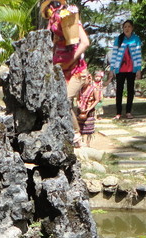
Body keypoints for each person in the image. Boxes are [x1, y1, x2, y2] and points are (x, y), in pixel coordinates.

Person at [42, 0, 90, 146]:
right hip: (60, 70)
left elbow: (85, 42)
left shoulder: (71, 19)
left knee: (64, 100)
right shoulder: (52, 22)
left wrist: (70, 61)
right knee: (56, 101)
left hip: (77, 71)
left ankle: (76, 135)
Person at [109, 20, 142, 120]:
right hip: (120, 69)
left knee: (130, 91)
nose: (127, 29)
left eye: (129, 27)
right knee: (119, 91)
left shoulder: (136, 39)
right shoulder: (119, 39)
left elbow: (138, 54)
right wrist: (112, 69)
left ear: (132, 28)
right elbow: (114, 54)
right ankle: (118, 112)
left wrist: (139, 69)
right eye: (125, 27)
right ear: (123, 29)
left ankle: (128, 112)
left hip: (132, 69)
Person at [77, 70, 103, 145]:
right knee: (80, 129)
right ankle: (81, 143)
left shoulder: (93, 88)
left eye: (84, 79)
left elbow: (97, 99)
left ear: (89, 78)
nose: (83, 82)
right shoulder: (80, 90)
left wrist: (89, 108)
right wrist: (79, 105)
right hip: (81, 112)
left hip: (89, 112)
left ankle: (88, 144)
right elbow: (78, 99)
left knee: (89, 130)